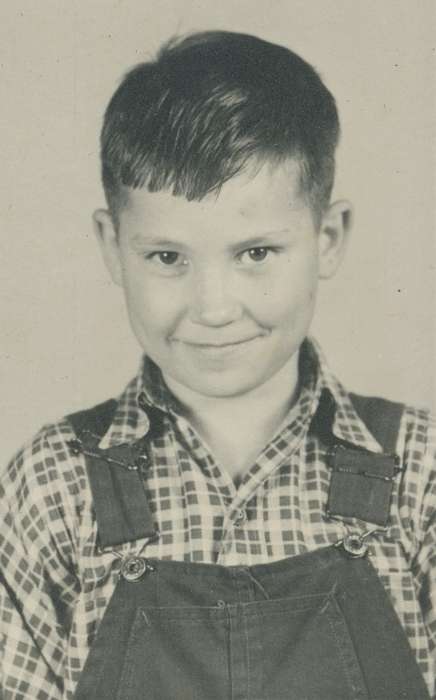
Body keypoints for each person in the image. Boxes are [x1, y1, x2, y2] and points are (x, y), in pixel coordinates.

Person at [0, 30, 434, 700]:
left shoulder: (419, 475)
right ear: (112, 247)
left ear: (328, 238)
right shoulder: (54, 487)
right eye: (168, 257)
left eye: (256, 253)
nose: (213, 307)